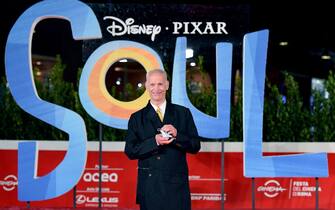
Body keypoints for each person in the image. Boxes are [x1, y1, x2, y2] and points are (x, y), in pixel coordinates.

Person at [125, 69, 201, 210]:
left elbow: (195, 146)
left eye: (160, 84)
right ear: (147, 86)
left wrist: (177, 135)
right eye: (152, 84)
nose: (156, 89)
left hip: (176, 187)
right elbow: (130, 151)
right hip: (149, 187)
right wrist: (155, 141)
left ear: (167, 85)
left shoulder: (183, 113)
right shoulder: (137, 118)